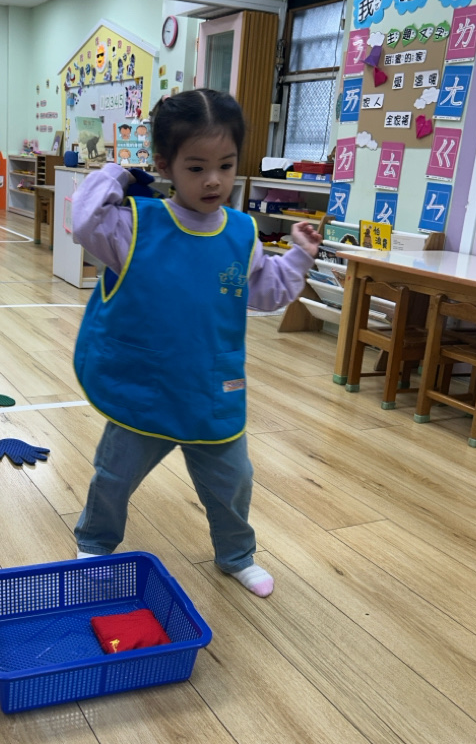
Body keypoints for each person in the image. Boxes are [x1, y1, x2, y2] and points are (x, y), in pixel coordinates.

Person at [72, 89, 321, 597]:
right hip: (145, 387)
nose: (213, 180)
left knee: (233, 482)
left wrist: (299, 256)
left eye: (226, 166)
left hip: (213, 389)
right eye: (196, 167)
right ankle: (95, 543)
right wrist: (118, 174)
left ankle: (237, 555)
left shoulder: (242, 232)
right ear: (165, 165)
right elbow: (84, 219)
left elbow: (266, 292)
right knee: (114, 475)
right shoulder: (136, 224)